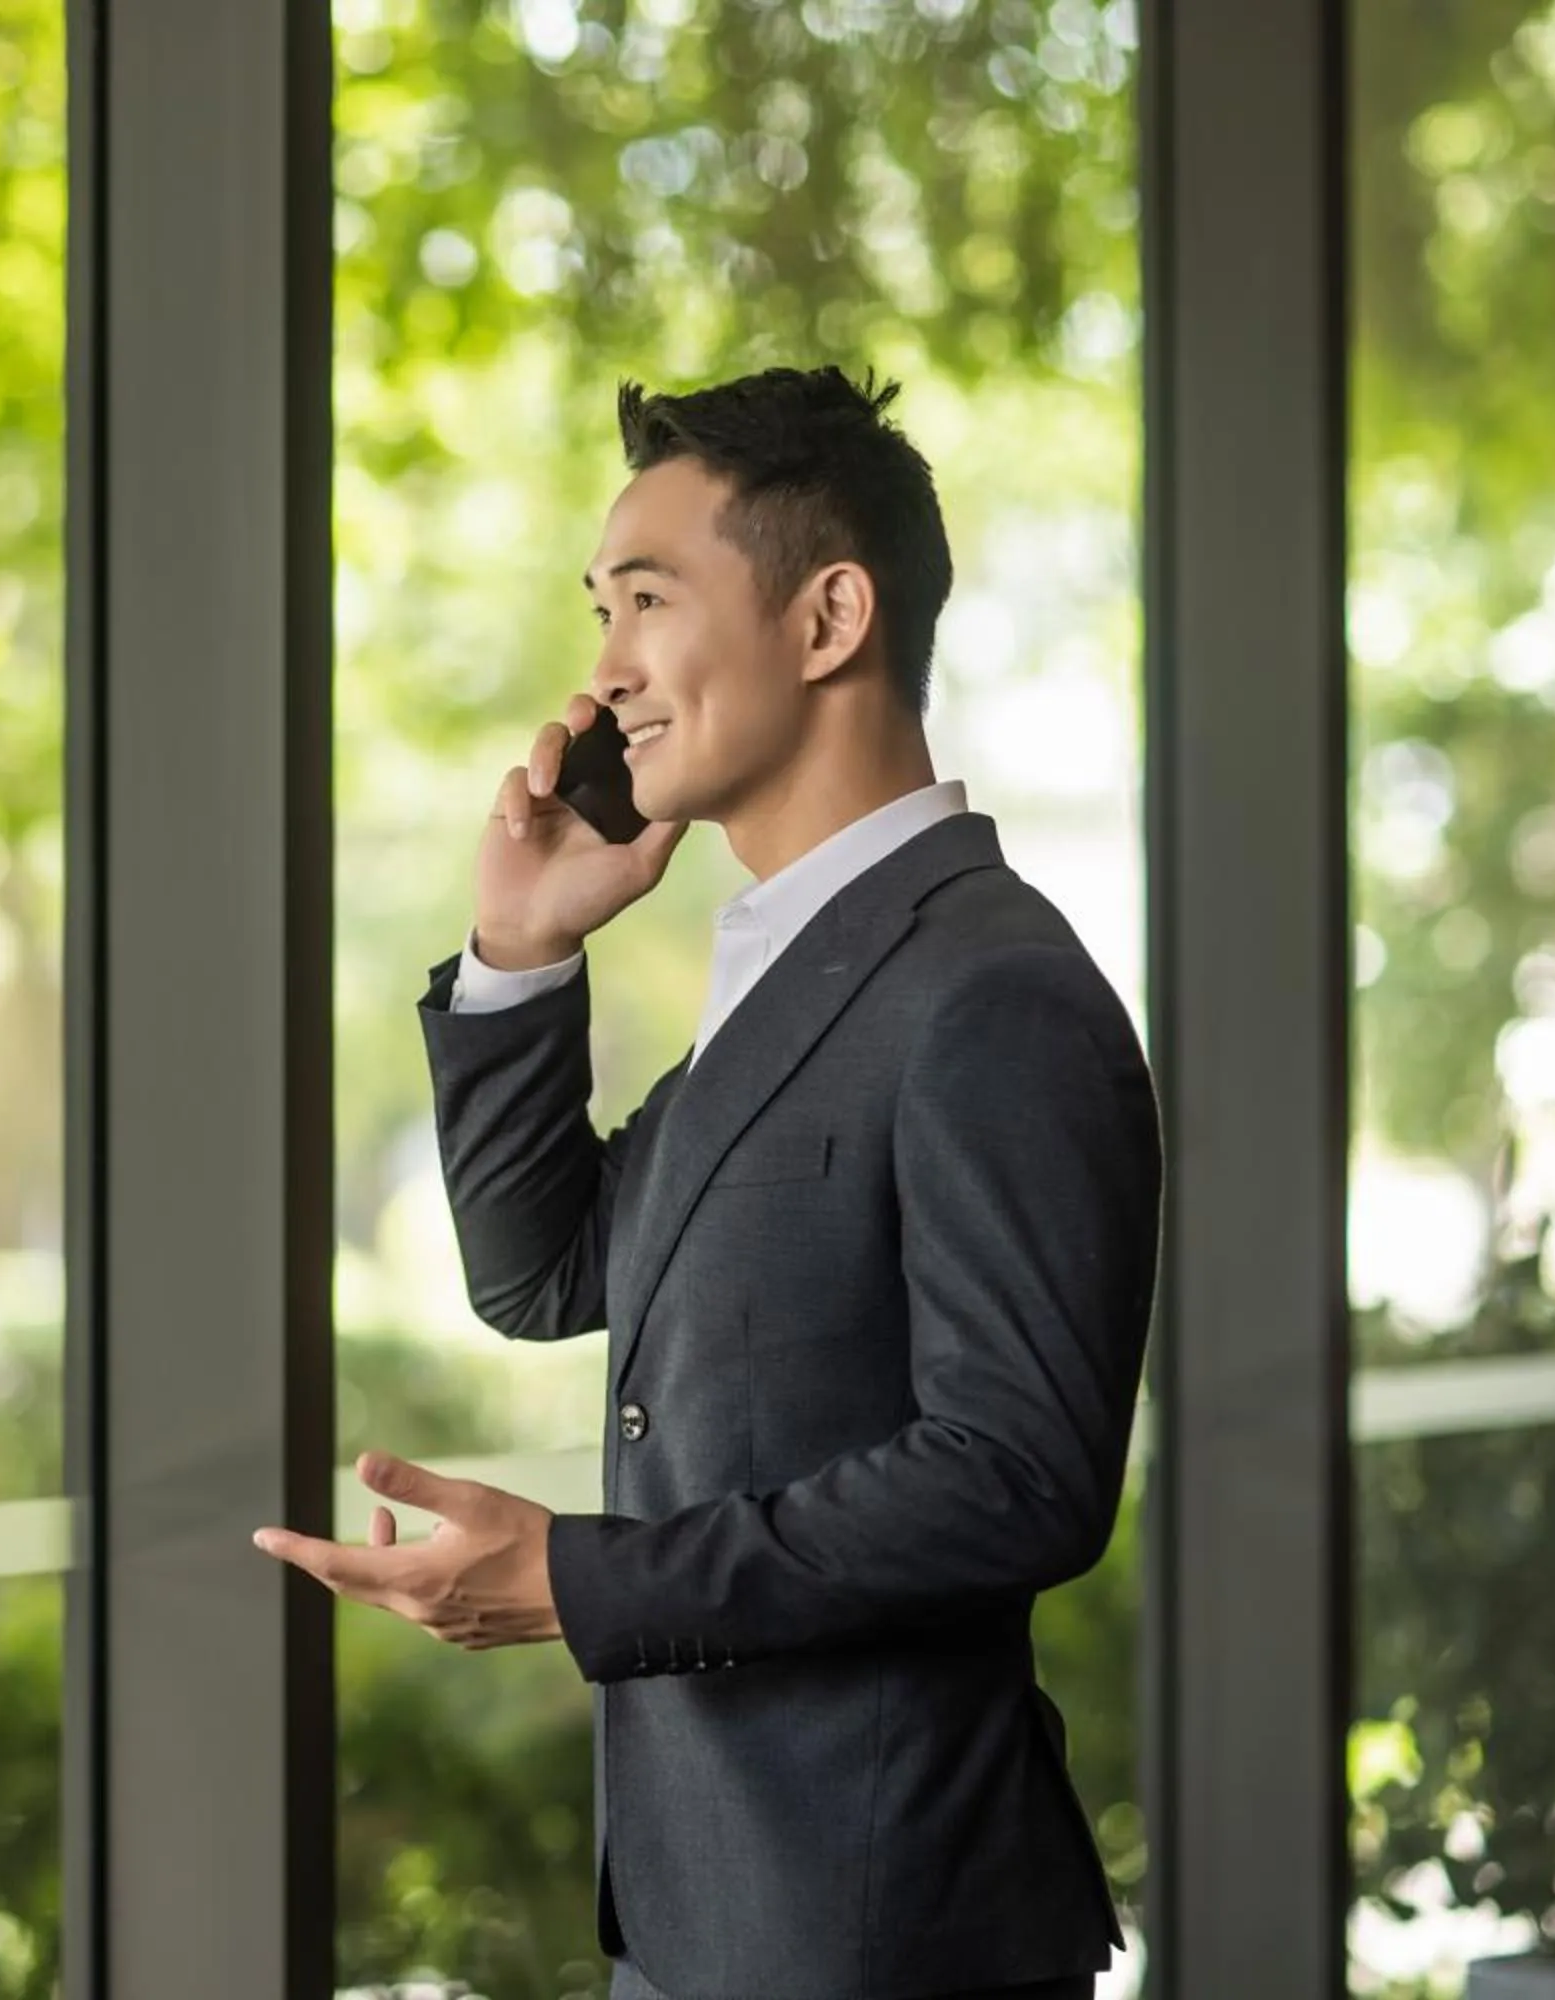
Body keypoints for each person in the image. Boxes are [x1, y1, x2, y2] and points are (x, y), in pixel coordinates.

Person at [254, 365, 1163, 1999]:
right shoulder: (793, 971)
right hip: (701, 1924)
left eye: (649, 600)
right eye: (601, 611)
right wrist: (522, 953)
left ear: (828, 619)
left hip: (885, 1944)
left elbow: (1019, 1473)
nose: (604, 677)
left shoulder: (988, 991)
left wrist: (580, 1579)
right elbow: (542, 1273)